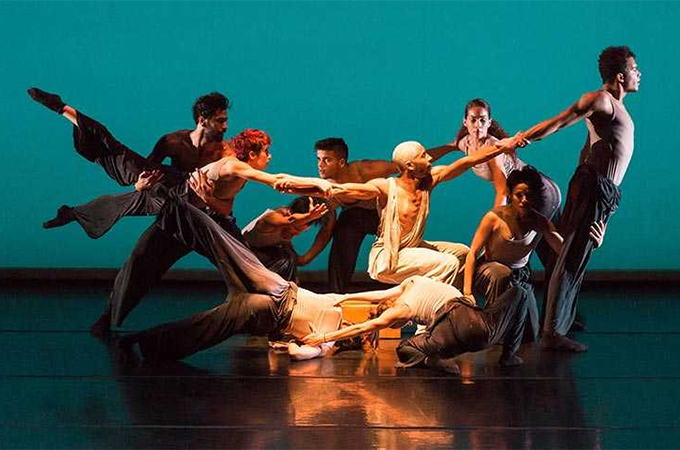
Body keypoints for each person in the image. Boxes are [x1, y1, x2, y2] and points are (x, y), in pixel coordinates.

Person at [519, 45, 640, 351]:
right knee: (571, 258)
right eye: (634, 69)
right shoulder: (601, 100)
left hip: (599, 190)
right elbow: (560, 121)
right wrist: (521, 138)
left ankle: (558, 320)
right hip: (594, 186)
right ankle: (552, 332)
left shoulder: (615, 107)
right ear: (620, 75)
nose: (639, 74)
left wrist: (602, 213)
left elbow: (588, 149)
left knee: (570, 253)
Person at [281, 137, 524, 288]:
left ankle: (435, 297)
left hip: (401, 236)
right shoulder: (383, 187)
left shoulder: (415, 177)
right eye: (423, 156)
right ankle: (425, 319)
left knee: (462, 253)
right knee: (447, 263)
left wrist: (503, 145)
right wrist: (288, 183)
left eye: (326, 160)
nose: (429, 158)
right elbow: (336, 201)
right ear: (409, 165)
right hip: (388, 250)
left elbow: (465, 162)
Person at [30, 88, 229, 238]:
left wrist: (210, 202)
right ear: (202, 120)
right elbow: (148, 167)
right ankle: (61, 107)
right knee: (114, 148)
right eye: (220, 121)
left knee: (124, 200)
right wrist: (140, 185)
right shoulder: (173, 141)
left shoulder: (224, 153)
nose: (226, 126)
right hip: (165, 188)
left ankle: (73, 213)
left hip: (192, 202)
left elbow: (226, 200)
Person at [462, 166, 605, 342]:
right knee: (502, 274)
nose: (524, 200)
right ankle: (491, 327)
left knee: (530, 334)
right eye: (519, 195)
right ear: (510, 195)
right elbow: (472, 253)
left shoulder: (540, 222)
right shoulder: (494, 218)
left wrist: (593, 244)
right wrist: (467, 292)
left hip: (520, 275)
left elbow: (565, 251)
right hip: (490, 271)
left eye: (529, 195)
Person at [301, 138, 455, 293]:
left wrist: (451, 146)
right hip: (357, 221)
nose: (320, 165)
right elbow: (326, 231)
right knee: (346, 223)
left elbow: (408, 162)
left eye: (327, 160)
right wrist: (305, 259)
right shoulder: (327, 191)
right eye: (319, 159)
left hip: (387, 218)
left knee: (357, 217)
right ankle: (336, 293)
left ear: (341, 162)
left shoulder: (365, 169)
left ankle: (410, 285)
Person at [302, 275, 528, 374]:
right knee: (519, 292)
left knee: (405, 348)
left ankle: (434, 359)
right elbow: (379, 294)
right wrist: (343, 297)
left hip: (454, 330)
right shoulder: (412, 283)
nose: (403, 324)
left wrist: (324, 337)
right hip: (482, 323)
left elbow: (364, 327)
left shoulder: (401, 310)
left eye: (396, 324)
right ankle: (509, 355)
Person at [242, 197, 329, 282]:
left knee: (289, 257)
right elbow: (291, 220)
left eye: (300, 232)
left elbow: (300, 261)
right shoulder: (271, 218)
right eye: (296, 229)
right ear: (289, 214)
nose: (297, 234)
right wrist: (309, 216)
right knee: (286, 258)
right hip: (247, 265)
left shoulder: (285, 240)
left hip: (269, 270)